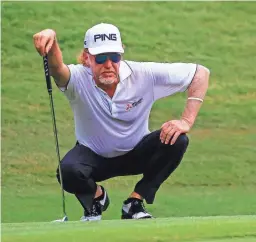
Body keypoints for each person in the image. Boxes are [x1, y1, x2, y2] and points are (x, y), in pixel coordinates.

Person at [33, 23, 210, 221]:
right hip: (94, 157)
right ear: (86, 58)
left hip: (136, 152)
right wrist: (52, 38)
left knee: (178, 140)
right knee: (68, 172)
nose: (108, 64)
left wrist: (186, 120)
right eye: (100, 58)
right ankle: (96, 197)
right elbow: (56, 68)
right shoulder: (77, 79)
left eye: (114, 57)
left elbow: (200, 74)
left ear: (121, 55)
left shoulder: (143, 74)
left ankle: (134, 202)